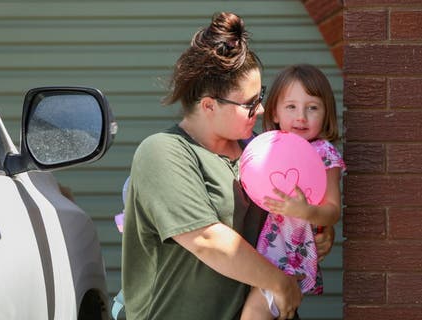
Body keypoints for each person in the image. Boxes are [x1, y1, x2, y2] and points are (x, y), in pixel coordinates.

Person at [121, 12, 319, 320]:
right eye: (249, 103)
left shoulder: (258, 148)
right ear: (209, 105)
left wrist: (313, 227)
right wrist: (279, 282)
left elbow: (285, 222)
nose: (262, 109)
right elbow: (208, 240)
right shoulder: (163, 152)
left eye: (261, 96)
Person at [240, 64, 346, 320]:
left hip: (290, 254)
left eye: (312, 108)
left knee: (254, 312)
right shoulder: (265, 147)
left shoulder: (324, 153)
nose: (301, 116)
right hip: (260, 254)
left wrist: (305, 211)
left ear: (326, 113)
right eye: (291, 107)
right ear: (274, 111)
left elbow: (332, 212)